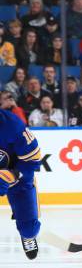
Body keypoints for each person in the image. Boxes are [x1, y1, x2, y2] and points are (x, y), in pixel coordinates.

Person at [0, 108, 42, 259]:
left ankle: (28, 236)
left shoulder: (13, 125)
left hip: (17, 177)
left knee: (29, 229)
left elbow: (32, 161)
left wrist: (12, 175)